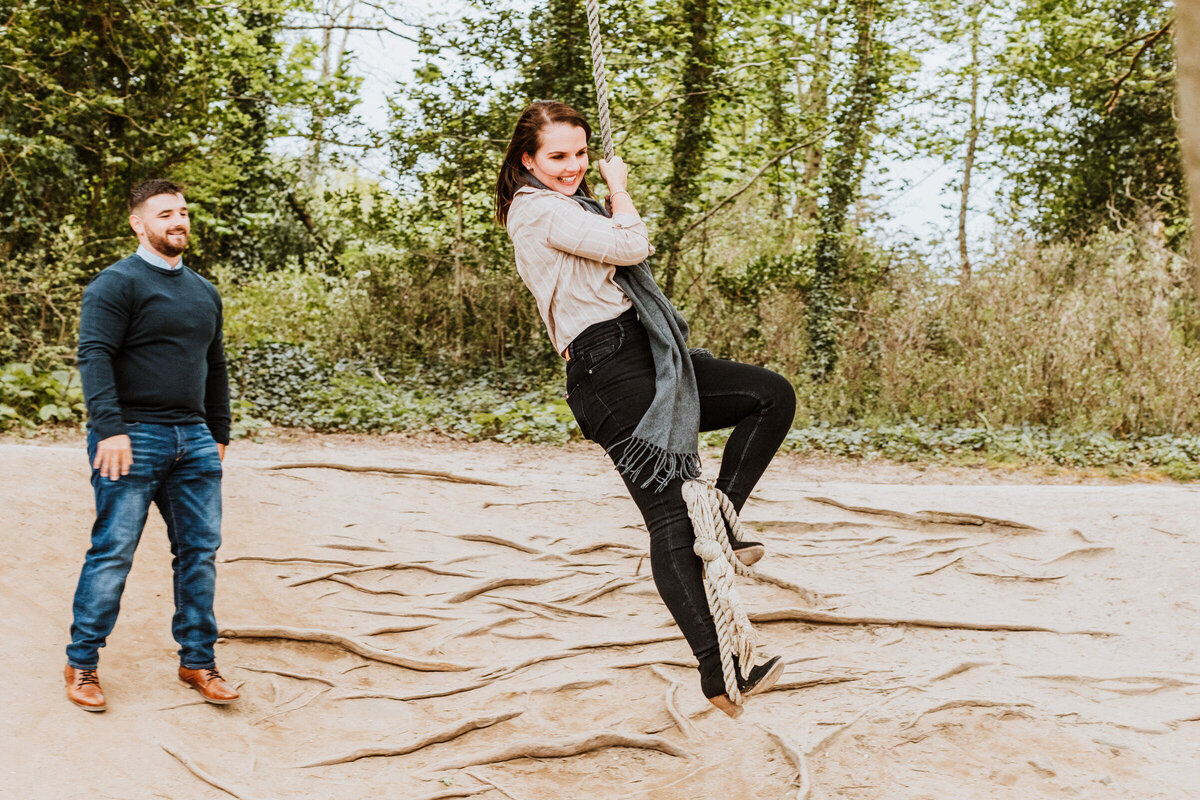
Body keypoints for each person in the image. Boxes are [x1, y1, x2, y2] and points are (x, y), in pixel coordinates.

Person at [496, 102, 797, 716]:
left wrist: (602, 197)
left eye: (580, 154)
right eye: (558, 156)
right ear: (528, 161)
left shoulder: (568, 207)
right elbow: (632, 245)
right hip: (609, 368)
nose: (574, 166)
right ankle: (722, 672)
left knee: (770, 395)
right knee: (668, 517)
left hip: (645, 355)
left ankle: (724, 515)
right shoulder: (538, 210)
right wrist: (619, 189)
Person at [65, 179, 238, 711]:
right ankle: (83, 663)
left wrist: (220, 432)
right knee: (113, 552)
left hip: (195, 442)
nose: (178, 221)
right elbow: (93, 355)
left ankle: (198, 662)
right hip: (131, 436)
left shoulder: (204, 291)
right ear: (139, 224)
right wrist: (110, 427)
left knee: (199, 555)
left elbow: (215, 364)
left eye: (183, 212)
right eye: (165, 214)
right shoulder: (116, 285)